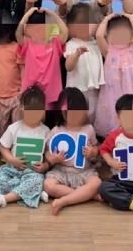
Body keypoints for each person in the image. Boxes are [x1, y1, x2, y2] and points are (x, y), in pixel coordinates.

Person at [0, 86, 50, 213]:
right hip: (12, 169)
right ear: (22, 108)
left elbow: (48, 153)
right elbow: (3, 147)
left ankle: (3, 199)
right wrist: (12, 160)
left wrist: (45, 166)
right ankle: (32, 193)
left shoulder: (46, 131)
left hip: (32, 172)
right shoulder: (14, 128)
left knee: (37, 180)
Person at [43, 88, 102, 216]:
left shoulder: (89, 129)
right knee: (48, 185)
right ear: (61, 111)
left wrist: (93, 152)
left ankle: (64, 201)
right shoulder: (56, 130)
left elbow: (97, 147)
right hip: (61, 171)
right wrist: (52, 159)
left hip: (84, 171)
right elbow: (47, 152)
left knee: (96, 183)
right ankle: (87, 195)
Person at [94, 13, 133, 137]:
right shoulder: (108, 51)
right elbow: (99, 35)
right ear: (108, 36)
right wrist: (107, 18)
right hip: (111, 97)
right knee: (113, 119)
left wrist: (131, 17)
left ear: (131, 36)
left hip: (131, 95)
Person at [16, 7, 68, 110]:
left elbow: (65, 32)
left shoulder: (55, 43)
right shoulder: (28, 43)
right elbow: (18, 34)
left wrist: (51, 13)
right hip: (31, 97)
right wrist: (28, 14)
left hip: (51, 98)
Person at [64, 3, 104, 124]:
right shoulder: (71, 44)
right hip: (77, 91)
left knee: (94, 117)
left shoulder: (96, 43)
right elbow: (68, 67)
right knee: (77, 118)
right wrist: (77, 54)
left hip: (94, 91)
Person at [0, 24, 22, 136]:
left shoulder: (16, 46)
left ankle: (15, 145)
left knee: (18, 127)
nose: (3, 34)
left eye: (5, 30)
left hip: (16, 94)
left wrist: (23, 88)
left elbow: (22, 67)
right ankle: (3, 146)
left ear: (10, 32)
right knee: (1, 129)